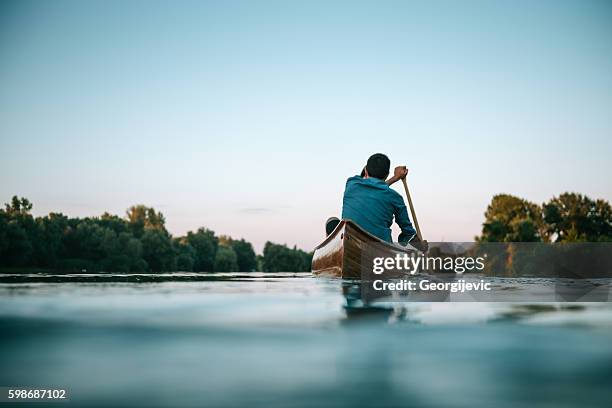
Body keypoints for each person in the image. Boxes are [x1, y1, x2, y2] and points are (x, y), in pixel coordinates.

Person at [326, 153, 427, 251]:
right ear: (387, 174)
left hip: (350, 245)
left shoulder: (352, 183)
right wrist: (418, 243)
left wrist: (395, 178)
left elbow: (373, 187)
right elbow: (408, 233)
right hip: (381, 250)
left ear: (366, 170)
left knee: (332, 221)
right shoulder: (395, 198)